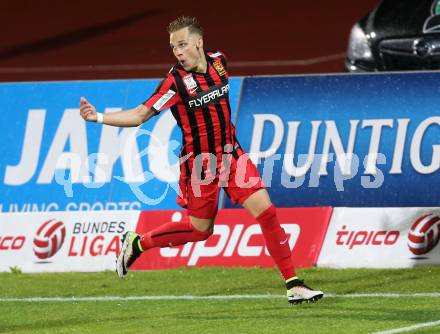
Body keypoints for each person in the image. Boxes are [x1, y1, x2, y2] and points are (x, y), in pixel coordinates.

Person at [79, 16, 323, 305]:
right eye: (173, 47)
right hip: (200, 167)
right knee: (200, 231)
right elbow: (139, 115)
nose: (178, 52)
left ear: (199, 42)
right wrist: (99, 118)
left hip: (233, 156)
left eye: (182, 45)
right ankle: (137, 243)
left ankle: (293, 284)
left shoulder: (220, 62)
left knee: (267, 213)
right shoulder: (174, 83)